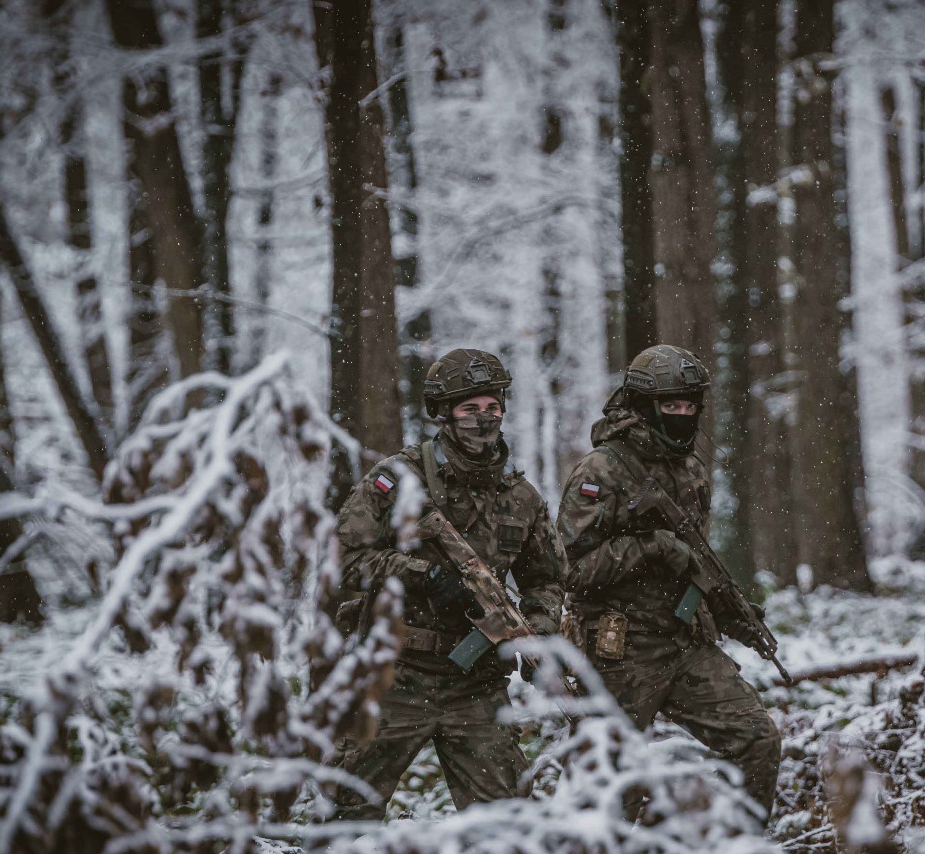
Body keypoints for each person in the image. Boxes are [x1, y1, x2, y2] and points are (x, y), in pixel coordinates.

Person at [332, 349, 565, 817]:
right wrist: (421, 574)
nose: (484, 419)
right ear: (443, 413)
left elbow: (547, 580)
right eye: (469, 409)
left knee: (506, 822)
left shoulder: (521, 498)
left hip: (475, 681)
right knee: (345, 810)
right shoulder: (399, 480)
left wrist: (537, 633)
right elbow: (344, 558)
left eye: (492, 407)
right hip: (395, 671)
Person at [557, 344, 781, 819]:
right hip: (618, 650)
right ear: (643, 405)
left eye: (689, 405)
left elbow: (693, 557)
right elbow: (570, 571)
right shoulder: (600, 471)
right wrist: (647, 548)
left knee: (757, 739)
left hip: (683, 641)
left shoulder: (690, 468)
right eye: (670, 406)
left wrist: (728, 608)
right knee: (608, 784)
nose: (682, 415)